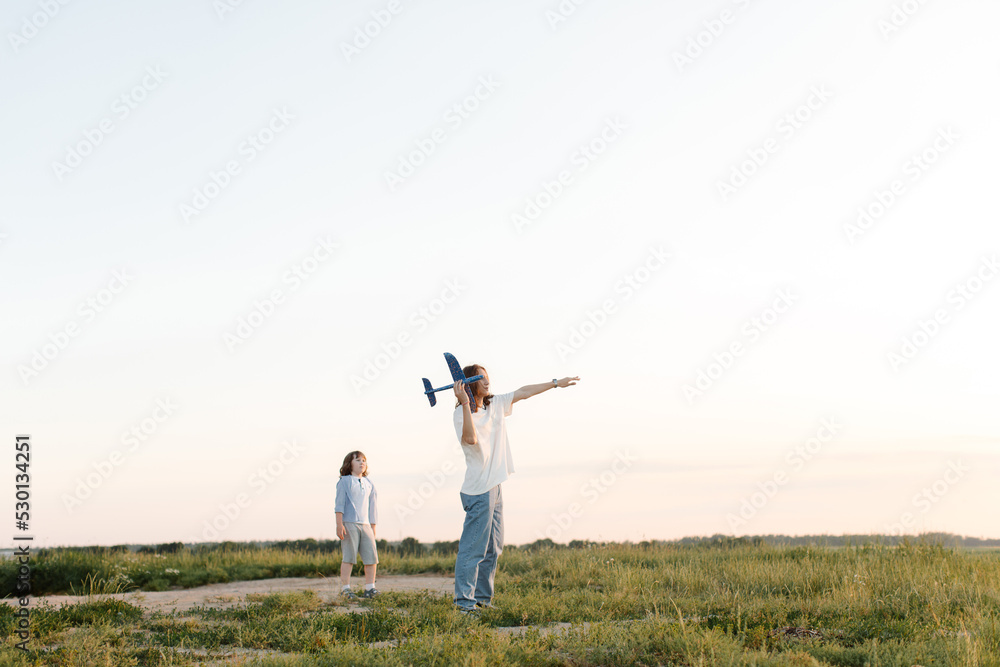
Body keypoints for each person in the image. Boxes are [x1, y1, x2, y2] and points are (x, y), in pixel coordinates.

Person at [451, 364, 579, 612]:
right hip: (478, 490)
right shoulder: (461, 414)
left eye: (488, 377)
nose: (487, 381)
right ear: (468, 383)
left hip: (495, 487)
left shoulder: (495, 404)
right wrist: (465, 403)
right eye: (480, 378)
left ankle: (482, 600)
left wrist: (555, 383)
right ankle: (463, 605)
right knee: (473, 550)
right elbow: (470, 439)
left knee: (493, 548)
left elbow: (523, 392)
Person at [335, 450, 379, 599]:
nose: (362, 463)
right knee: (349, 557)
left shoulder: (369, 483)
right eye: (358, 460)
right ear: (349, 463)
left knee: (371, 558)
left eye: (364, 461)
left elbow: (373, 507)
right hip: (349, 523)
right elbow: (339, 504)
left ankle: (370, 588)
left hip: (366, 525)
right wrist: (339, 524)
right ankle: (346, 589)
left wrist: (373, 527)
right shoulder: (345, 481)